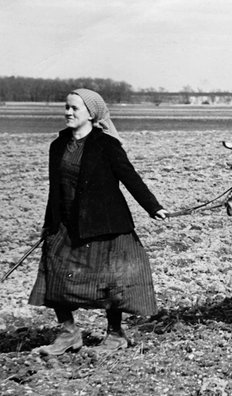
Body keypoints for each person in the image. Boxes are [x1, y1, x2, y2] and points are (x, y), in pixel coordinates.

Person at [29, 89, 169, 355]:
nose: (68, 113)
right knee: (56, 275)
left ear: (91, 114)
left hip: (104, 224)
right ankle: (69, 333)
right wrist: (50, 223)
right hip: (66, 224)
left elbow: (130, 178)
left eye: (75, 109)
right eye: (66, 108)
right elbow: (55, 189)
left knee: (110, 282)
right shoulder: (58, 145)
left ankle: (115, 334)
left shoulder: (106, 145)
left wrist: (154, 207)